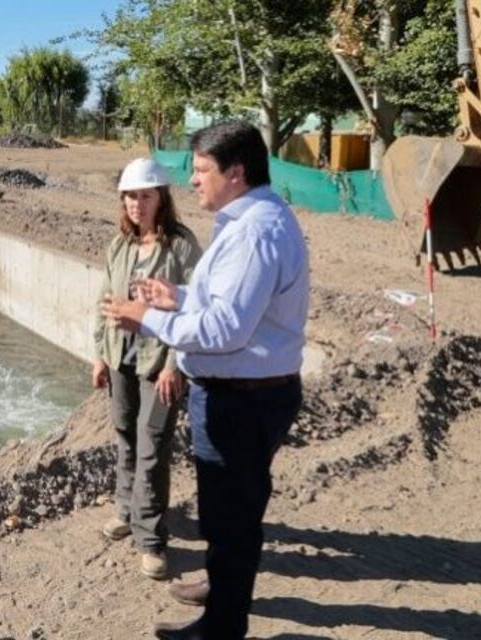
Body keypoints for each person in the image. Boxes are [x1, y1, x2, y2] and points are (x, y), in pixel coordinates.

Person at [101, 121, 309, 640]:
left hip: (243, 399)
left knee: (232, 518)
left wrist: (146, 318)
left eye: (200, 171)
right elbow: (224, 306)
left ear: (235, 173)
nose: (192, 182)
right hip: (244, 393)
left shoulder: (255, 232)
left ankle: (221, 626)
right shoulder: (247, 221)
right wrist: (178, 298)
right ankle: (222, 587)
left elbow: (226, 330)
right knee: (226, 513)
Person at [93, 158, 201, 580]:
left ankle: (152, 539)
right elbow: (103, 303)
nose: (137, 203)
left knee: (152, 447)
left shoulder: (182, 247)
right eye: (130, 196)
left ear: (161, 198)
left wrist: (176, 365)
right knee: (125, 438)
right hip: (122, 358)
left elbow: (195, 307)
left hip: (159, 366)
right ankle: (126, 509)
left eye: (145, 195)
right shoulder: (119, 245)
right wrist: (99, 354)